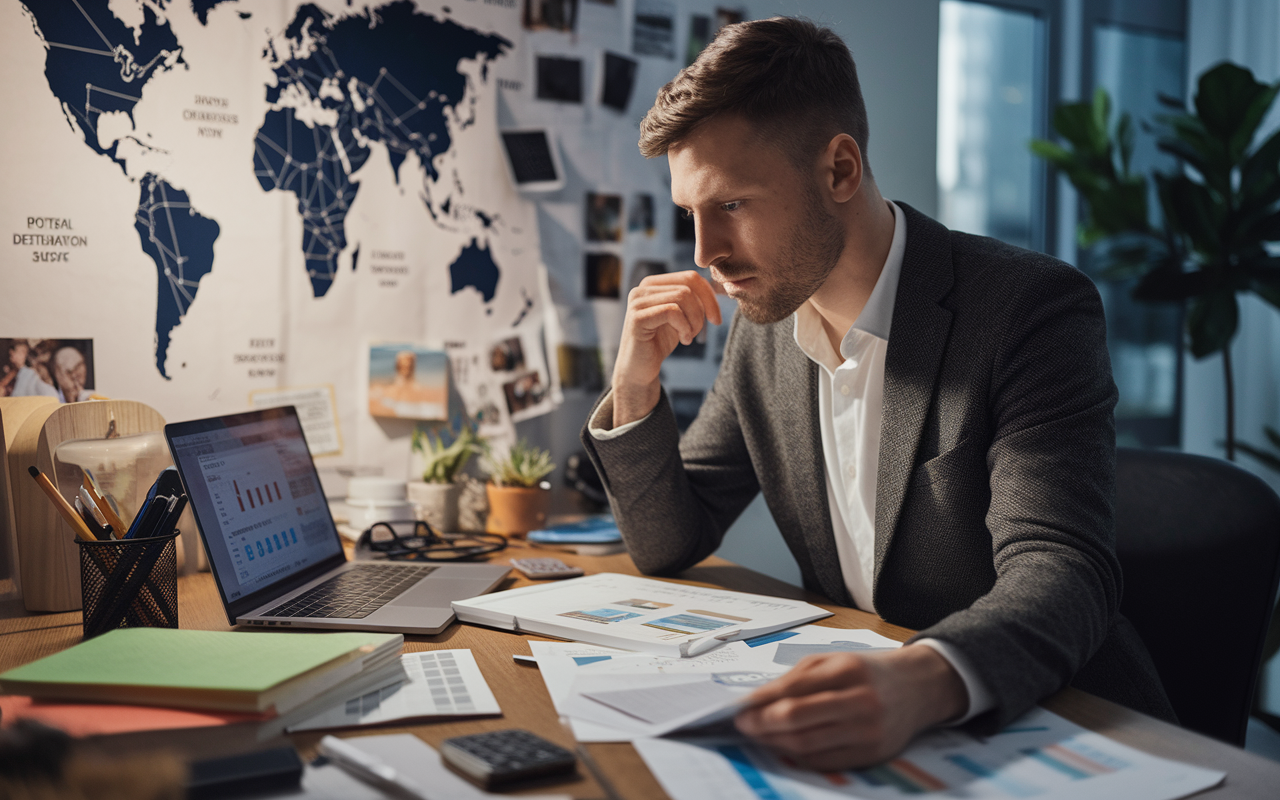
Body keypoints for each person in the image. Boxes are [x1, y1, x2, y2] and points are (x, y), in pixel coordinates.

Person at [580, 17, 1173, 770]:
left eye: (730, 205)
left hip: (1058, 726)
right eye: (690, 214)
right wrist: (633, 384)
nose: (705, 255)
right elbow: (671, 539)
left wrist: (920, 681)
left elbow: (1062, 569)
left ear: (838, 171)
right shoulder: (765, 332)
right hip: (871, 740)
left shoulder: (1031, 309)